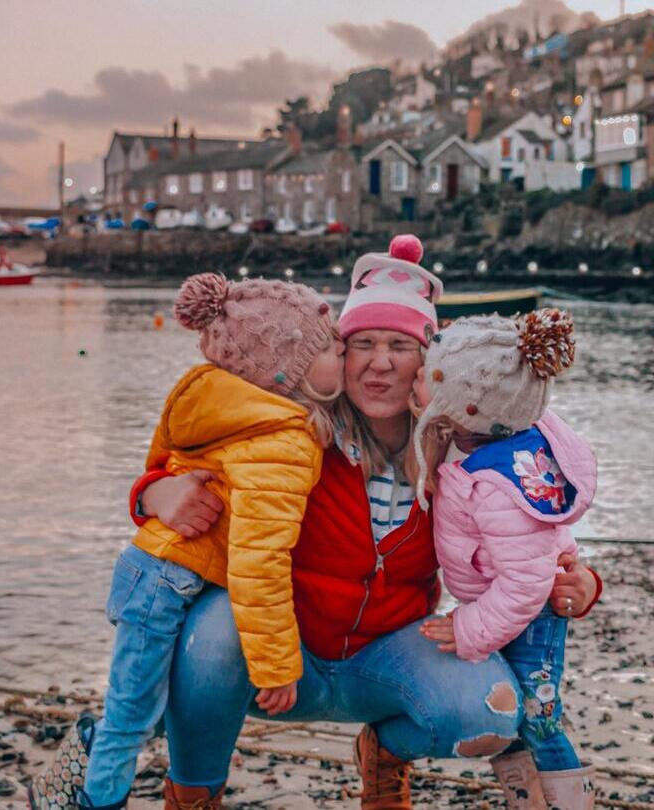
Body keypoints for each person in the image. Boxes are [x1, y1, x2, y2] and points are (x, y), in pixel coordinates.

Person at [132, 236, 604, 810]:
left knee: (489, 711)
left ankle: (384, 754)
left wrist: (581, 585)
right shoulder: (288, 428)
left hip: (388, 658)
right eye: (364, 344)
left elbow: (535, 533)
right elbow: (180, 463)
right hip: (284, 659)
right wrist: (156, 493)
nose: (380, 363)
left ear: (428, 361)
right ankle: (193, 794)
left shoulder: (465, 449)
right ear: (340, 352)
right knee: (211, 632)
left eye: (400, 346)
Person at [29, 273, 345, 810]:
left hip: (153, 569)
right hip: (171, 579)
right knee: (134, 716)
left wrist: (153, 495)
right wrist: (276, 665)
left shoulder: (216, 401)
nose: (346, 351)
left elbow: (161, 464)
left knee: (139, 706)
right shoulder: (285, 439)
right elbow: (259, 560)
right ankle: (92, 799)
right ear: (289, 368)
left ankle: (82, 769)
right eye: (332, 345)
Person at [411, 309, 597, 809]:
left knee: (538, 715)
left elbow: (526, 582)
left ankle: (569, 803)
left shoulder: (496, 483)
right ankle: (525, 799)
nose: (417, 379)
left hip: (528, 613)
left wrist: (470, 629)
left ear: (467, 404)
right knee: (509, 710)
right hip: (500, 604)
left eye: (432, 376)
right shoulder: (478, 436)